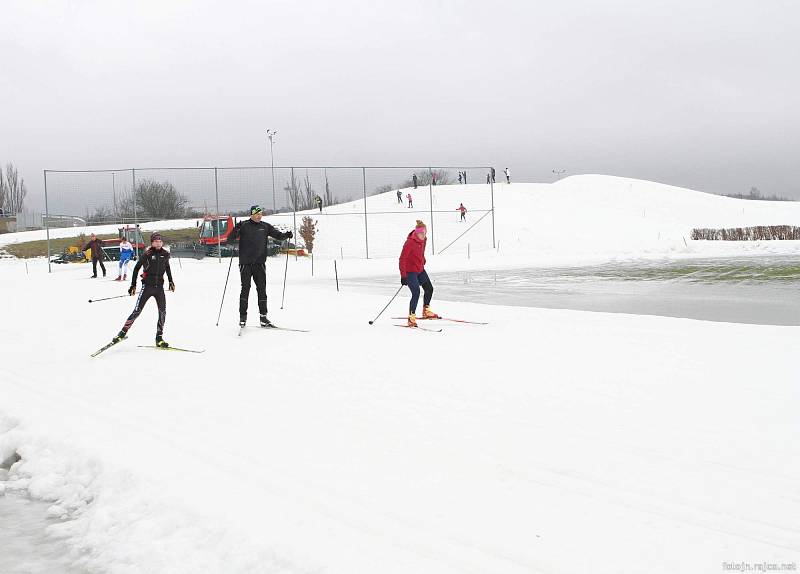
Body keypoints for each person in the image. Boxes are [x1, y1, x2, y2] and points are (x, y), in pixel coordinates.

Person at [230, 205, 293, 328]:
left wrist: (287, 235)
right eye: (257, 214)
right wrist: (235, 229)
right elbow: (230, 239)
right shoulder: (244, 226)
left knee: (262, 290)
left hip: (259, 264)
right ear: (252, 214)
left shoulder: (265, 226)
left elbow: (278, 235)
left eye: (261, 214)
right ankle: (243, 318)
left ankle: (263, 318)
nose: (259, 216)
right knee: (245, 289)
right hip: (245, 264)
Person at [111, 232, 174, 348]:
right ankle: (121, 333)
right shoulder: (147, 254)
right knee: (137, 311)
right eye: (156, 241)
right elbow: (136, 268)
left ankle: (159, 338)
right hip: (147, 287)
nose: (158, 243)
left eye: (160, 241)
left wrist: (171, 281)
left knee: (162, 312)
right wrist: (133, 285)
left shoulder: (165, 254)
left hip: (159, 288)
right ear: (152, 243)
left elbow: (167, 267)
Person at [399, 220, 438, 327]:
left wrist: (422, 259)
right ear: (416, 233)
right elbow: (402, 259)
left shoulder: (424, 240)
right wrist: (403, 276)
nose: (423, 235)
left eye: (425, 233)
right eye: (421, 233)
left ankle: (426, 311)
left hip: (420, 269)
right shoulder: (409, 243)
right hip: (410, 272)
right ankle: (411, 318)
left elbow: (421, 251)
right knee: (416, 293)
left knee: (429, 288)